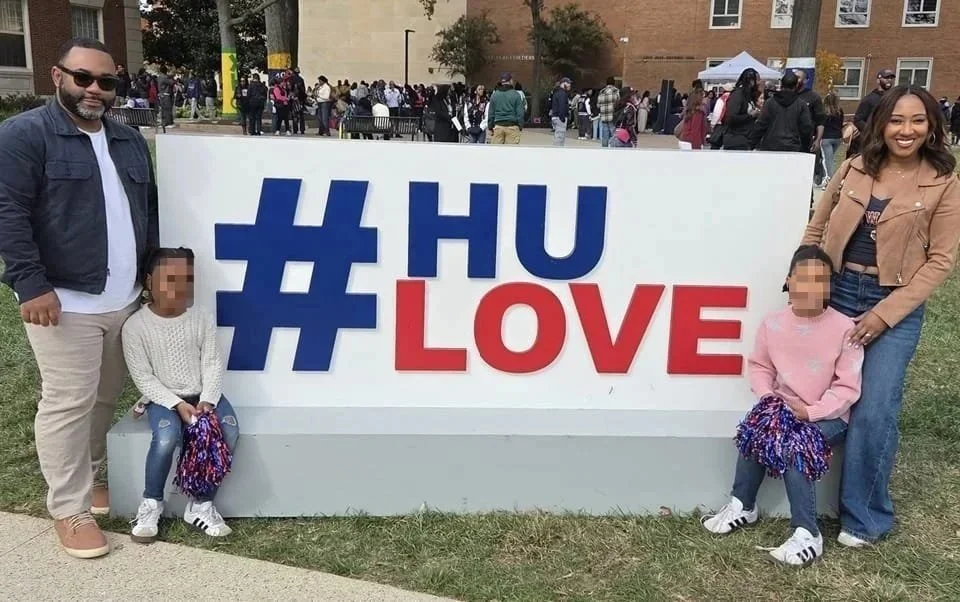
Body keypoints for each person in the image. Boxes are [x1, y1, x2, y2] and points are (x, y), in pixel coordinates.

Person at [0, 37, 158, 559]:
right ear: (57, 75)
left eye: (107, 82)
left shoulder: (128, 140)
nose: (95, 90)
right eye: (83, 78)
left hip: (124, 299)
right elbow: (9, 213)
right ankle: (68, 508)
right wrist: (31, 283)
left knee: (104, 399)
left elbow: (146, 212)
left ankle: (90, 485)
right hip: (62, 301)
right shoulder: (24, 136)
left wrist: (153, 279)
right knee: (68, 402)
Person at [801, 85, 960, 547]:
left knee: (873, 409)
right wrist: (807, 272)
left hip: (893, 300)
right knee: (820, 390)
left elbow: (941, 261)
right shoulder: (854, 167)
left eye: (917, 121)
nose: (906, 130)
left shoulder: (942, 182)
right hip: (837, 289)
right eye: (896, 120)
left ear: (931, 126)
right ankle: (804, 490)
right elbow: (818, 222)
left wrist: (884, 314)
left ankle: (864, 516)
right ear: (881, 124)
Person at [703, 245, 863, 565]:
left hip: (828, 415)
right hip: (785, 407)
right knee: (755, 430)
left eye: (822, 280)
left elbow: (847, 389)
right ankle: (743, 504)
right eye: (804, 279)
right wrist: (769, 398)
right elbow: (760, 367)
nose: (812, 287)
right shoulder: (773, 324)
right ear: (790, 281)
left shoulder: (845, 328)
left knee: (794, 446)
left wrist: (811, 412)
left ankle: (807, 533)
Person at [123, 247, 239, 543]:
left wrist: (208, 401)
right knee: (166, 438)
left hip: (202, 395)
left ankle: (201, 503)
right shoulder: (135, 327)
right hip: (165, 398)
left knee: (228, 429)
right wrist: (176, 404)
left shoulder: (201, 318)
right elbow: (143, 377)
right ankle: (151, 502)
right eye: (169, 279)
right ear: (150, 281)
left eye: (187, 279)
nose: (179, 287)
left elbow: (212, 362)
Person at [749, 71, 813, 152]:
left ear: (781, 84)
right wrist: (806, 147)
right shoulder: (801, 104)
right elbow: (806, 128)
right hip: (793, 147)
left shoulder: (770, 102)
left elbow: (761, 125)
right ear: (796, 85)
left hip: (770, 146)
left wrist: (751, 144)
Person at [847, 69, 896, 157]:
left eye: (891, 78)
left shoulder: (893, 99)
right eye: (886, 78)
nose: (889, 80)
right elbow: (858, 119)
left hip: (887, 141)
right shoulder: (869, 99)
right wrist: (872, 132)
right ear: (878, 80)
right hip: (869, 142)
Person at [722, 68, 762, 151]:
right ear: (751, 81)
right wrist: (750, 115)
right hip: (736, 140)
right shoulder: (738, 95)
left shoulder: (748, 95)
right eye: (758, 80)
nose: (759, 82)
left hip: (746, 139)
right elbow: (731, 118)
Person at [487, 72, 525, 144]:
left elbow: (491, 113)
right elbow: (520, 112)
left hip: (498, 126)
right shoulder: (516, 94)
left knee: (497, 152)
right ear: (510, 81)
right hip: (512, 126)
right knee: (511, 153)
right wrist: (520, 126)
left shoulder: (495, 95)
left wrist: (490, 127)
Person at [821, 93, 844, 184]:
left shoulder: (824, 111)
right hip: (838, 137)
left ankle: (829, 180)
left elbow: (821, 124)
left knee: (827, 160)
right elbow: (841, 123)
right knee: (831, 158)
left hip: (826, 137)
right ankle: (827, 177)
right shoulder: (840, 111)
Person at [550, 77, 572, 147]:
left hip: (555, 117)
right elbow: (562, 106)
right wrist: (562, 118)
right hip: (560, 118)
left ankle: (557, 152)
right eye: (568, 83)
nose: (569, 85)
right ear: (563, 83)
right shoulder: (562, 93)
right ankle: (557, 154)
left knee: (558, 136)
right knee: (560, 138)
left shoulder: (556, 92)